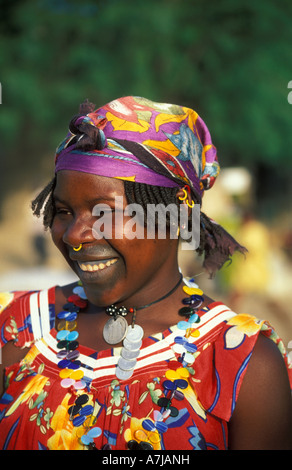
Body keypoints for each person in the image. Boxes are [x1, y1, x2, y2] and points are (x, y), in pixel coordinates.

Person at [0, 96, 291, 451]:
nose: (75, 235)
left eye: (105, 212)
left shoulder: (245, 366)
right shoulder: (13, 329)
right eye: (63, 211)